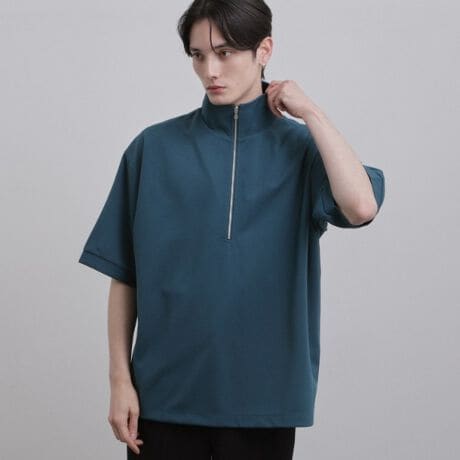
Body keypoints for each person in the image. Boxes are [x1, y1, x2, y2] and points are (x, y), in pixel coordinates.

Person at [78, 1, 386, 459]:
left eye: (225, 53)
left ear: (264, 50)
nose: (210, 71)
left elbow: (361, 206)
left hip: (265, 403)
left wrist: (311, 113)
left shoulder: (303, 151)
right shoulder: (152, 149)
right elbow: (125, 276)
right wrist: (120, 381)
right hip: (162, 400)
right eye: (198, 55)